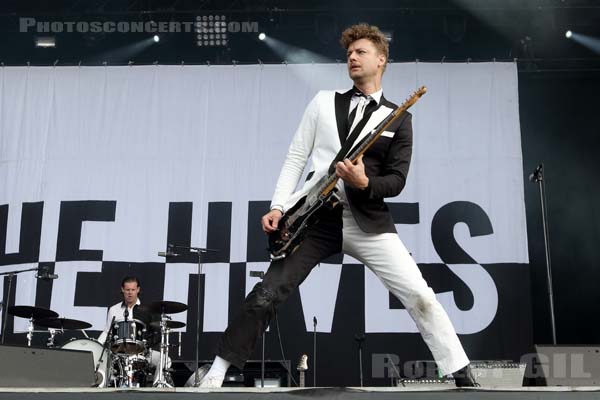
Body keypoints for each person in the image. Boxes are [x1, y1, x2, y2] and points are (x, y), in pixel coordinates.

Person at [197, 23, 476, 388]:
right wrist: (279, 207)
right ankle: (217, 372)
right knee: (268, 291)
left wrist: (364, 183)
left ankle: (459, 371)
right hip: (315, 219)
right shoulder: (323, 102)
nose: (352, 57)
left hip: (369, 222)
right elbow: (296, 158)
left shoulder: (399, 119)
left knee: (420, 295)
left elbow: (396, 180)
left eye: (361, 52)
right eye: (349, 53)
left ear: (382, 60)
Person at [98, 276, 170, 386]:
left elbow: (157, 333)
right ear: (122, 290)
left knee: (166, 359)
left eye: (133, 290)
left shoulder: (148, 310)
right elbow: (107, 331)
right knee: (101, 359)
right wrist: (96, 346)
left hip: (143, 352)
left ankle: (157, 386)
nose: (130, 293)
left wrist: (147, 346)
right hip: (119, 353)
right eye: (127, 290)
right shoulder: (114, 309)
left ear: (138, 290)